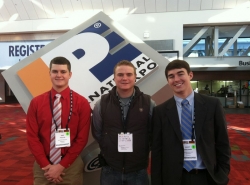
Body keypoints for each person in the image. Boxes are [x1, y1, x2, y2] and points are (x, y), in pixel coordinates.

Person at [151, 59, 231, 185]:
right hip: (174, 178)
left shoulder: (212, 105)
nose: (176, 79)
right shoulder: (160, 111)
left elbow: (223, 142)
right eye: (171, 76)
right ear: (168, 81)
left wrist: (222, 173)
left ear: (190, 75)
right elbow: (157, 151)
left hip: (206, 176)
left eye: (180, 74)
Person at [26, 56, 91, 184]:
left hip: (71, 165)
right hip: (43, 166)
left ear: (70, 74)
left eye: (63, 72)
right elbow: (32, 137)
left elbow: (82, 139)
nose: (59, 75)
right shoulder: (36, 103)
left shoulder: (82, 103)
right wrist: (46, 165)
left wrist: (61, 166)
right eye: (55, 71)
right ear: (49, 73)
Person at [92, 60, 155, 185]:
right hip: (110, 169)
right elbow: (97, 132)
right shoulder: (102, 103)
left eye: (129, 74)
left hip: (138, 170)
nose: (124, 78)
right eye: (120, 75)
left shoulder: (149, 103)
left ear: (135, 77)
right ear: (114, 78)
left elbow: (153, 133)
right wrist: (108, 146)